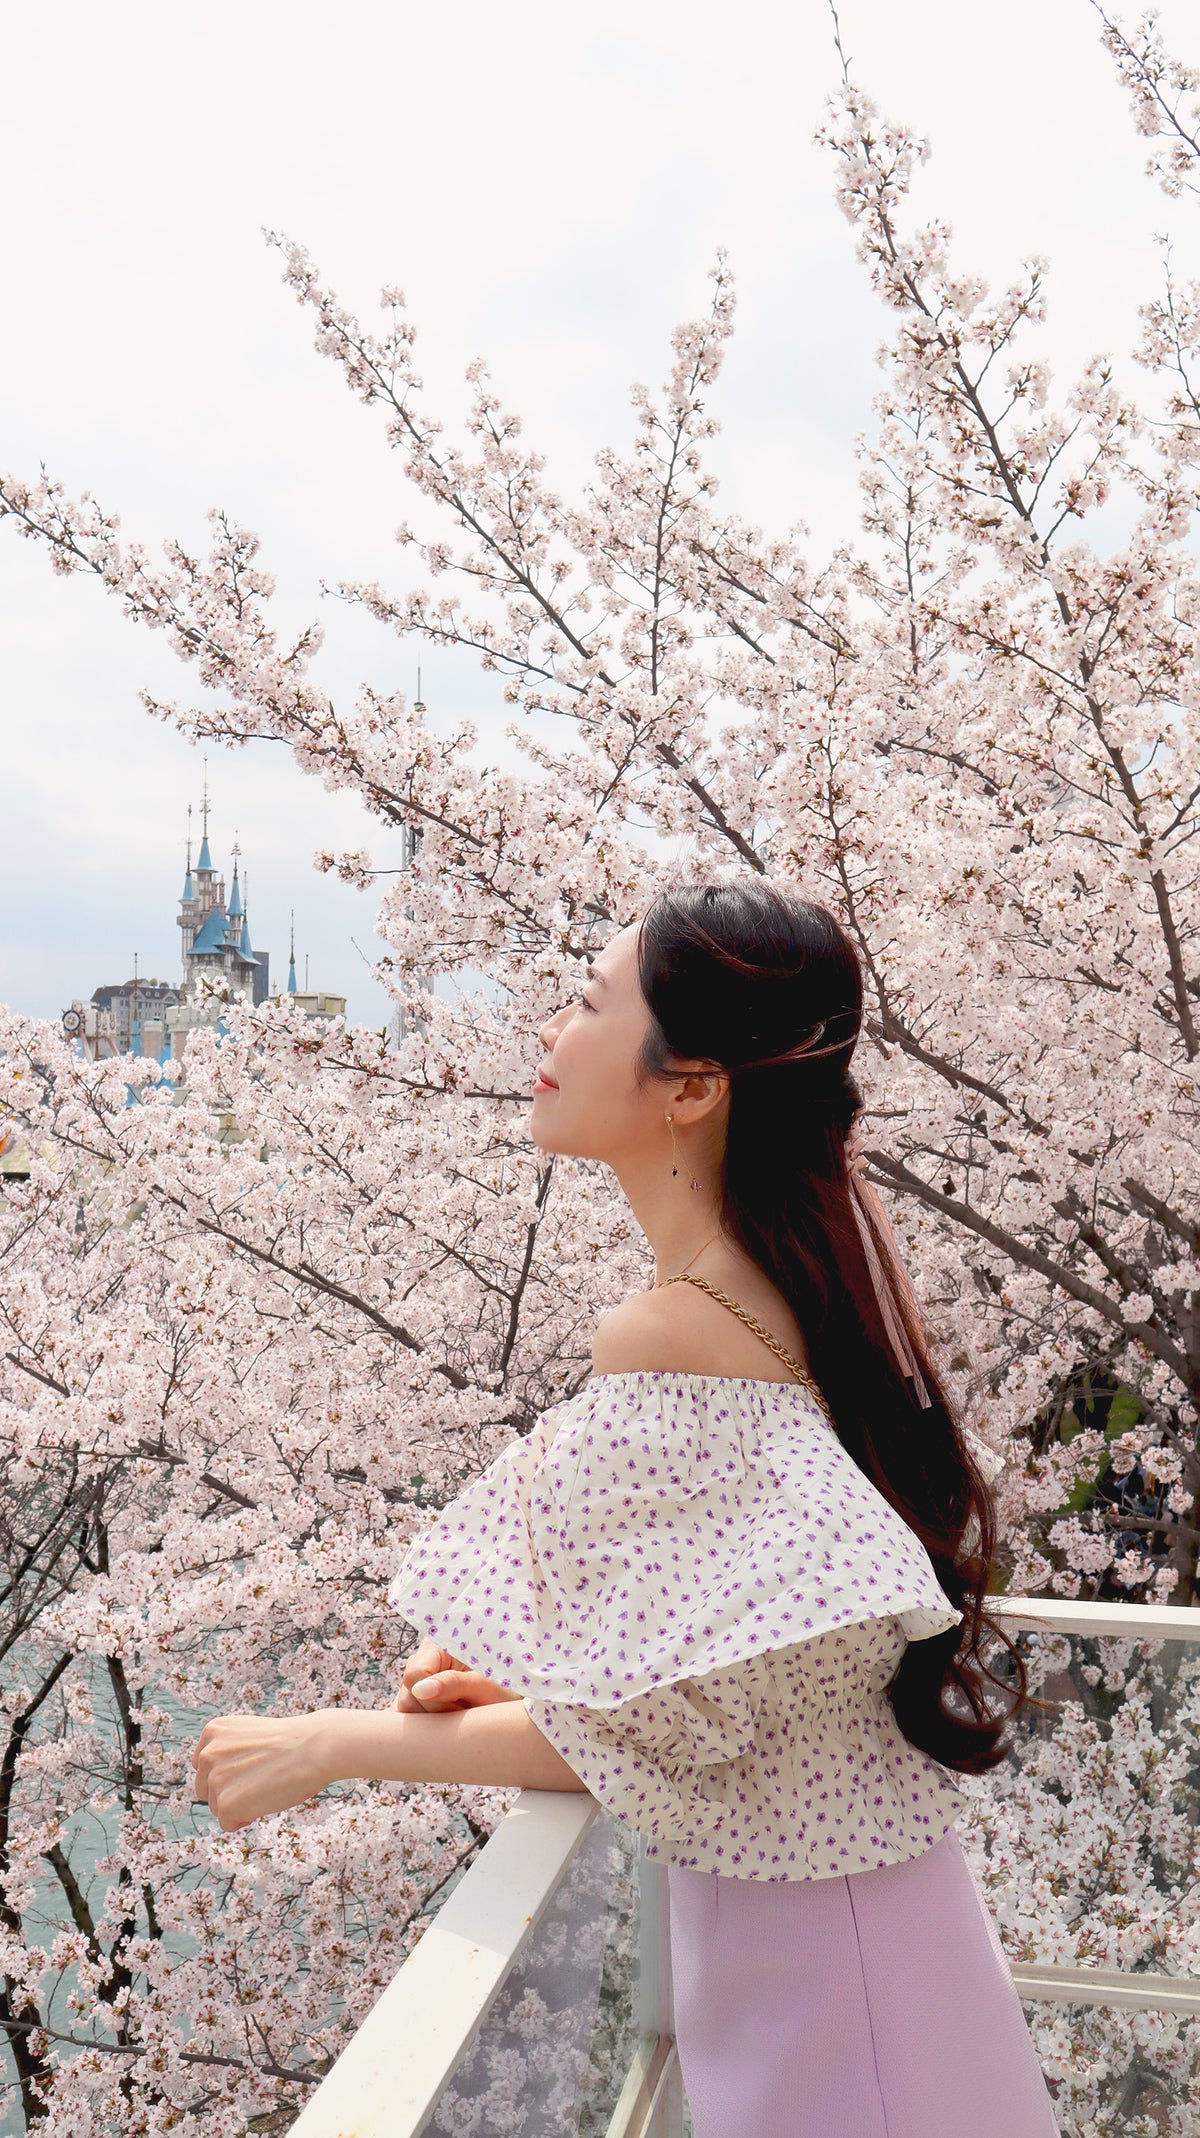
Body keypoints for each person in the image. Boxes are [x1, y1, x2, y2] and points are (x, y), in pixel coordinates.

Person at [193, 879, 1060, 2137]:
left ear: (694, 1084)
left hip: (825, 1988)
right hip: (874, 1940)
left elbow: (646, 1741)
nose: (549, 1031)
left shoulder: (680, 1333)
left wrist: (329, 1741)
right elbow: (708, 1698)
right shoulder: (788, 1288)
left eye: (589, 1002)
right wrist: (584, 1687)